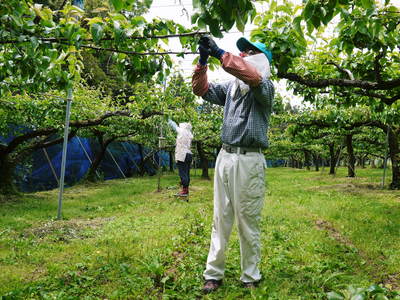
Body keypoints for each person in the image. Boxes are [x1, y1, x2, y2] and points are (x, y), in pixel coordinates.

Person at [192, 36, 274, 293]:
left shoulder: (265, 87)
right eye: (243, 52)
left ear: (262, 60)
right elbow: (201, 90)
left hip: (249, 159)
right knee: (221, 217)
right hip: (225, 156)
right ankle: (213, 273)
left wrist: (219, 51)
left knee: (247, 218)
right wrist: (203, 61)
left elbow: (249, 73)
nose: (245, 55)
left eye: (250, 52)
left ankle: (250, 274)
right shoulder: (231, 88)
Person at [168, 119, 193, 197]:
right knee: (187, 173)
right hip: (189, 154)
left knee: (183, 173)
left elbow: (174, 125)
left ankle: (184, 191)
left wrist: (168, 119)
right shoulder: (189, 133)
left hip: (182, 155)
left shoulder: (182, 131)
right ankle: (186, 189)